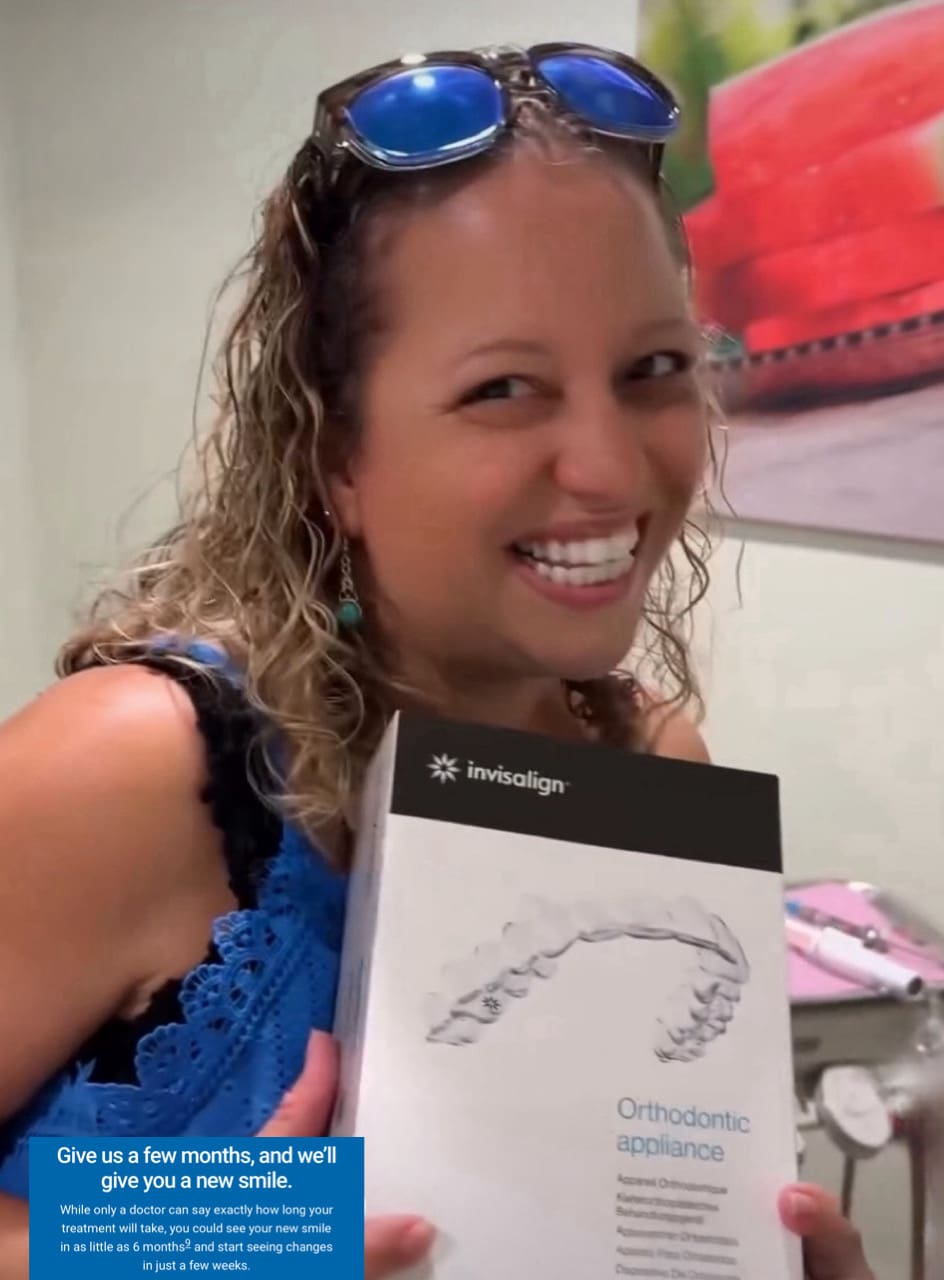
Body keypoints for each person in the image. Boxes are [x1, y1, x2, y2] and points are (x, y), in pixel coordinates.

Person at [0, 41, 874, 1279]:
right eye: (504, 387)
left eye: (653, 370)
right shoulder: (135, 769)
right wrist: (213, 1237)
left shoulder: (648, 763)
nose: (612, 470)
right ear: (331, 454)